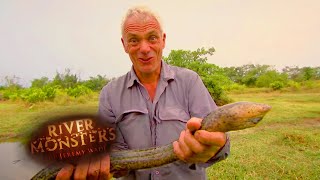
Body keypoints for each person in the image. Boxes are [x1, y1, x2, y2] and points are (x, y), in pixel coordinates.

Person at [56, 6, 230, 180]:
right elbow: (112, 152)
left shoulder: (190, 81)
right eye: (134, 40)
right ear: (124, 45)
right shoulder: (110, 94)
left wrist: (215, 145)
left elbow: (220, 140)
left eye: (152, 38)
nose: (144, 48)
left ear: (163, 40)